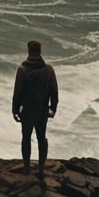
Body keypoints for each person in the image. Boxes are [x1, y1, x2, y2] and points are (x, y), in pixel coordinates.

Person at [12, 39, 59, 176]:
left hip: (27, 111)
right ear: (40, 51)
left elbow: (17, 92)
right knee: (42, 138)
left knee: (26, 139)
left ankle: (27, 168)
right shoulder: (48, 69)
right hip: (42, 111)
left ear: (28, 51)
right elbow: (54, 91)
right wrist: (53, 108)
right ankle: (41, 169)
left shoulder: (22, 70)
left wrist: (15, 110)